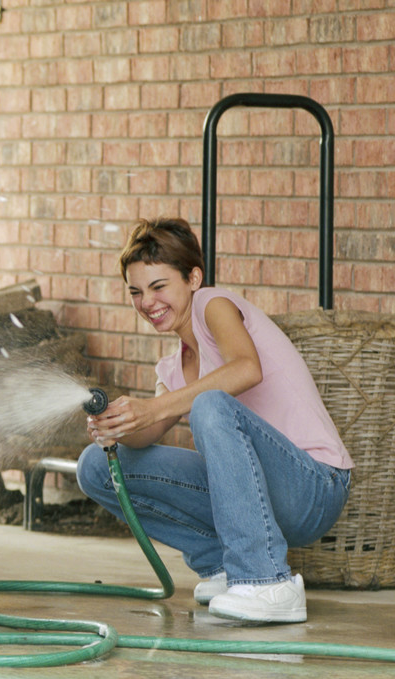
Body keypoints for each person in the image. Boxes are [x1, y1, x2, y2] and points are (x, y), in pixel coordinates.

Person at [76, 218, 352, 624]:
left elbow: (246, 368)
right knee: (95, 466)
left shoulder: (213, 305)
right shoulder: (170, 368)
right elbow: (148, 432)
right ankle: (220, 565)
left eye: (159, 287)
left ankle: (266, 580)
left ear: (193, 278)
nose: (146, 302)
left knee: (210, 404)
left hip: (314, 488)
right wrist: (117, 427)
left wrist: (157, 407)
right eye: (135, 292)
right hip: (255, 498)